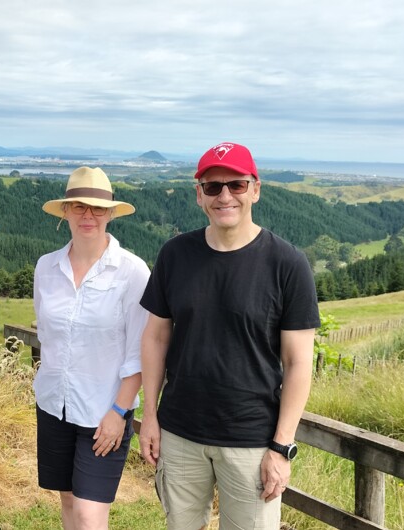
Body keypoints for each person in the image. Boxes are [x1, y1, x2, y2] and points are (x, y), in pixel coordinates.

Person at [138, 142, 320, 530]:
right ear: (198, 194)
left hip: (252, 439)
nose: (225, 196)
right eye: (213, 186)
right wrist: (149, 417)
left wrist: (281, 446)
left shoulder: (287, 264)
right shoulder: (175, 254)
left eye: (236, 185)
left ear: (255, 189)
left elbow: (299, 361)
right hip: (179, 431)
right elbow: (155, 338)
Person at [33, 166, 151, 530]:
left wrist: (119, 411)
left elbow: (140, 352)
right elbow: (48, 337)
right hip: (54, 403)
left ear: (111, 214)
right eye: (79, 206)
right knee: (68, 499)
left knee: (89, 514)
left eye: (98, 208)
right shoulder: (46, 267)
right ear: (65, 211)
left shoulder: (132, 272)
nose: (88, 215)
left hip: (105, 410)